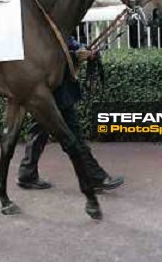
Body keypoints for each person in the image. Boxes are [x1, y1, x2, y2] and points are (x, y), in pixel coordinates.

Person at [17, 35, 124, 192]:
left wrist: (82, 49)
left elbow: (67, 42)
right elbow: (50, 53)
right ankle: (93, 176)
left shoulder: (54, 25)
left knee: (39, 132)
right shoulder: (44, 26)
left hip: (50, 92)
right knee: (73, 135)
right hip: (54, 91)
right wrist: (75, 54)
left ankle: (27, 173)